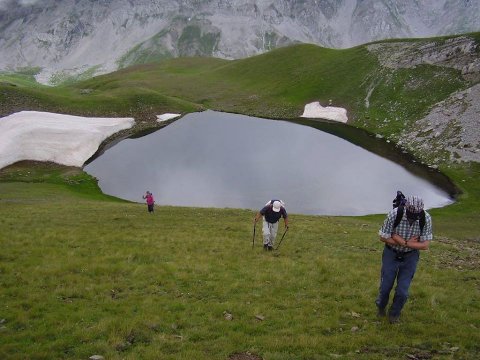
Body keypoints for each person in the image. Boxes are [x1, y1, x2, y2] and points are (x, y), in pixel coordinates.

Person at [376, 195, 433, 323]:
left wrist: (403, 242)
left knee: (402, 290)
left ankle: (394, 315)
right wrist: (406, 242)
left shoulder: (426, 218)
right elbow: (383, 237)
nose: (413, 218)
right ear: (406, 208)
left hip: (410, 257)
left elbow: (425, 245)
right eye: (410, 214)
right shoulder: (394, 214)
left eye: (416, 215)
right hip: (391, 254)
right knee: (385, 286)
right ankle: (381, 307)